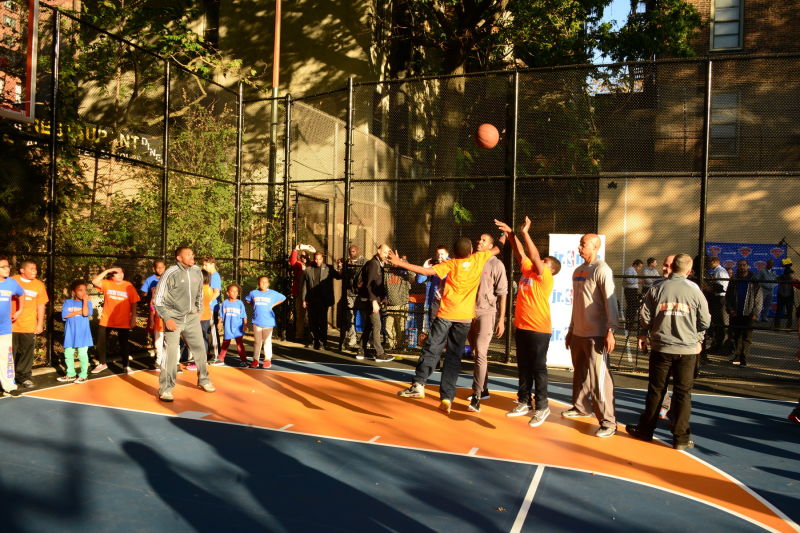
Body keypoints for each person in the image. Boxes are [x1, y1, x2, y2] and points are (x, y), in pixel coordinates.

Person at [393, 235, 503, 414]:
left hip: (446, 315)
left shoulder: (450, 265)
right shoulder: (478, 259)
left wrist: (400, 263)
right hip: (465, 318)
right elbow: (498, 248)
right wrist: (506, 234)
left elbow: (426, 272)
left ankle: (419, 384)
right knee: (453, 357)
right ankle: (447, 396)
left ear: (454, 253)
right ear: (470, 252)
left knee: (432, 348)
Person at [627, 254, 711, 451]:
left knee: (656, 390)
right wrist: (694, 335)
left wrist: (655, 328)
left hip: (662, 347)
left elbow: (644, 317)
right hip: (687, 349)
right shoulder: (694, 290)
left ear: (672, 267)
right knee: (683, 393)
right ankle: (681, 438)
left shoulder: (657, 288)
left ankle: (646, 430)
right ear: (689, 271)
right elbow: (705, 321)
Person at [497, 218, 560, 426]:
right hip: (522, 327)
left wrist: (525, 233)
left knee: (538, 368)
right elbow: (521, 254)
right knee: (523, 367)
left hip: (538, 330)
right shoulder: (528, 271)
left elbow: (531, 254)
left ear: (550, 269)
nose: (539, 261)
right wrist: (510, 235)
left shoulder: (545, 278)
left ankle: (543, 407)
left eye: (544, 261)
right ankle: (524, 401)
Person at [563, 233, 620, 438]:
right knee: (579, 373)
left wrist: (611, 330)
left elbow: (610, 302)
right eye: (580, 244)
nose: (579, 248)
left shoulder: (602, 270)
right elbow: (576, 304)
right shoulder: (578, 271)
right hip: (578, 332)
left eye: (583, 244)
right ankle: (581, 407)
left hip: (597, 334)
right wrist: (571, 329)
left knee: (599, 379)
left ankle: (609, 422)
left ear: (595, 247)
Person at [153, 246, 216, 401]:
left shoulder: (197, 271)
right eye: (188, 254)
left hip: (192, 318)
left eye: (192, 253)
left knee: (200, 349)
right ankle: (166, 389)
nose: (192, 255)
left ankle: (204, 379)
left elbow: (200, 294)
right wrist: (167, 318)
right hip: (173, 319)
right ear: (179, 258)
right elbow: (158, 300)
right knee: (171, 353)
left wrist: (198, 310)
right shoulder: (170, 273)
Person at [466, 232, 508, 412]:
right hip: (469, 312)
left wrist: (501, 319)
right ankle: (484, 389)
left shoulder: (496, 264)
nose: (479, 242)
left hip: (487, 313)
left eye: (483, 240)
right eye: (479, 239)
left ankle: (476, 396)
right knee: (476, 353)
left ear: (491, 247)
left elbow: (503, 293)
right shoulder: (472, 261)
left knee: (481, 353)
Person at [91, 266, 140, 374]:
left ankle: (126, 366)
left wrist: (133, 318)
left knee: (124, 344)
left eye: (122, 272)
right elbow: (94, 281)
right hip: (107, 319)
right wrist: (108, 270)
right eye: (117, 273)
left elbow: (134, 302)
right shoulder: (107, 283)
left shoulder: (128, 285)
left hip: (123, 320)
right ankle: (102, 363)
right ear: (112, 275)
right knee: (101, 342)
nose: (121, 274)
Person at [11, 259, 48, 388]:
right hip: (10, 326)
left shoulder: (39, 285)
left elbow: (41, 306)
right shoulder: (12, 281)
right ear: (22, 270)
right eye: (31, 268)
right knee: (8, 353)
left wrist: (39, 324)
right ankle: (7, 378)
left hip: (29, 325)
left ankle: (24, 376)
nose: (35, 271)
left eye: (36, 269)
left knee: (27, 353)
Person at [357, 244, 394, 363]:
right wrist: (374, 301)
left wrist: (383, 297)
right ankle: (379, 353)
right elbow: (369, 284)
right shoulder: (373, 263)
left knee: (369, 325)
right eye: (384, 252)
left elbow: (378, 284)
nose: (386, 255)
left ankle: (361, 351)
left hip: (373, 299)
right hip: (370, 300)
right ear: (378, 251)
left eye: (388, 253)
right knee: (377, 325)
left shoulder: (379, 263)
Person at [726, 259, 762, 366]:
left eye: (744, 265)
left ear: (748, 266)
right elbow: (728, 296)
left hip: (748, 313)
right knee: (736, 335)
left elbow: (759, 298)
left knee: (747, 337)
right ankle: (736, 356)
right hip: (735, 313)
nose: (742, 267)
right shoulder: (734, 280)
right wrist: (730, 309)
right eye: (740, 265)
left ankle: (744, 359)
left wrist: (755, 313)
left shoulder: (754, 280)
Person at [301, 251, 340, 350]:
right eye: (316, 259)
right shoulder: (308, 270)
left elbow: (339, 276)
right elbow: (305, 286)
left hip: (323, 300)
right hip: (311, 300)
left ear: (322, 259)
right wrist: (304, 300)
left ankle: (323, 342)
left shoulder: (329, 268)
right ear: (314, 259)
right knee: (312, 322)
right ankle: (313, 341)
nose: (317, 261)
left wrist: (341, 267)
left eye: (319, 259)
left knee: (322, 322)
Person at [245, 276, 286, 369]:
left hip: (268, 322)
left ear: (268, 283)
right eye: (262, 282)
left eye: (266, 282)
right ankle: (255, 360)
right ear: (258, 283)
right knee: (257, 342)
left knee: (267, 341)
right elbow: (247, 300)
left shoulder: (272, 293)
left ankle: (267, 360)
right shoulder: (253, 293)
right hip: (257, 321)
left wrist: (273, 305)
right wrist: (254, 305)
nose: (264, 283)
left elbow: (283, 297)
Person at [59, 280, 93, 384]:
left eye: (85, 290)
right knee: (68, 353)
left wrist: (85, 302)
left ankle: (83, 375)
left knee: (82, 354)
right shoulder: (68, 302)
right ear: (74, 292)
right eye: (80, 290)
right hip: (70, 334)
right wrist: (79, 312)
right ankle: (71, 374)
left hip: (83, 334)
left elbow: (86, 313)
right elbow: (64, 315)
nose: (83, 293)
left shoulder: (88, 303)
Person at [0, 256, 25, 397]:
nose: (7, 269)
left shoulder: (12, 283)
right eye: (3, 267)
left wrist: (20, 310)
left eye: (8, 266)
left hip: (4, 328)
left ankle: (9, 386)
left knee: (5, 357)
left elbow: (21, 294)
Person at [383, 256, 416, 351]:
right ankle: (391, 344)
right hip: (390, 305)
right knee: (388, 327)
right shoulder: (387, 273)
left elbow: (413, 275)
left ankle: (400, 345)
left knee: (400, 327)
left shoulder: (404, 274)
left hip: (402, 304)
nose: (394, 263)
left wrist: (403, 262)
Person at [416, 245, 449, 334]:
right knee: (433, 326)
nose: (440, 256)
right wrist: (425, 267)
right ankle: (436, 347)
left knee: (446, 327)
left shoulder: (451, 264)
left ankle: (446, 346)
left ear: (447, 254)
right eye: (438, 254)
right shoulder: (433, 266)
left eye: (442, 254)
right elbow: (419, 280)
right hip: (435, 301)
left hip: (447, 302)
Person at [337, 244, 364, 352]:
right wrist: (340, 267)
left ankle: (365, 339)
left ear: (357, 251)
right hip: (349, 293)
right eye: (350, 252)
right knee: (350, 317)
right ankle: (352, 338)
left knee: (364, 316)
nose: (351, 253)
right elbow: (339, 276)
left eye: (353, 251)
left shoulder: (363, 261)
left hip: (361, 294)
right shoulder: (346, 262)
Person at [289, 244, 314, 344]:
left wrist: (311, 250)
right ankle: (299, 335)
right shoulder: (298, 265)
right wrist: (296, 249)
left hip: (310, 293)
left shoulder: (312, 265)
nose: (304, 257)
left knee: (311, 315)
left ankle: (310, 335)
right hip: (299, 292)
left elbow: (319, 259)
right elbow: (292, 261)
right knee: (300, 314)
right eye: (302, 256)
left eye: (306, 256)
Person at [140, 260, 166, 356]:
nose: (160, 269)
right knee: (156, 333)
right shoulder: (150, 280)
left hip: (167, 311)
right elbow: (144, 293)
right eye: (158, 267)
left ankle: (166, 355)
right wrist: (150, 295)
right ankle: (158, 354)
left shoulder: (169, 279)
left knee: (168, 334)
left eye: (162, 267)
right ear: (154, 268)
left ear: (165, 267)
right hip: (154, 311)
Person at [219, 283, 248, 366]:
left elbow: (244, 315)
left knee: (239, 344)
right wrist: (219, 323)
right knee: (225, 343)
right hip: (228, 327)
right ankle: (220, 359)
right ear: (228, 293)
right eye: (232, 291)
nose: (235, 293)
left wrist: (245, 325)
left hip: (238, 328)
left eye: (236, 291)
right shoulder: (224, 303)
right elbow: (221, 315)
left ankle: (244, 361)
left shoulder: (240, 303)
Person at [705, 256, 730, 353]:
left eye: (710, 262)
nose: (708, 264)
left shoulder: (720, 271)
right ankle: (717, 344)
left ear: (715, 262)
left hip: (720, 298)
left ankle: (719, 345)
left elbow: (721, 286)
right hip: (718, 297)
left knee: (720, 321)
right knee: (717, 322)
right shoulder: (717, 271)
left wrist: (709, 288)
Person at [201, 256, 223, 359]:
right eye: (203, 264)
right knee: (207, 331)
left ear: (212, 264)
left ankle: (217, 355)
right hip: (207, 308)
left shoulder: (215, 276)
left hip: (211, 308)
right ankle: (208, 353)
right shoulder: (210, 275)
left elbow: (216, 292)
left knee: (213, 331)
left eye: (206, 265)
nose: (204, 266)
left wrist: (207, 302)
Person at [623, 259, 643, 331]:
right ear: (635, 265)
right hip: (630, 290)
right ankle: (629, 324)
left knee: (633, 307)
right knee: (631, 307)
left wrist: (637, 281)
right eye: (639, 267)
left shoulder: (632, 270)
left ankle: (630, 323)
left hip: (633, 290)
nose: (639, 268)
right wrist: (638, 281)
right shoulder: (629, 270)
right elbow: (629, 280)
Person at [774, 265, 796, 329]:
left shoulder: (786, 277)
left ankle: (779, 326)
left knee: (782, 312)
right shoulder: (786, 277)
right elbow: (776, 279)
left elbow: (776, 279)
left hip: (785, 296)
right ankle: (783, 326)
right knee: (787, 312)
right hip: (785, 296)